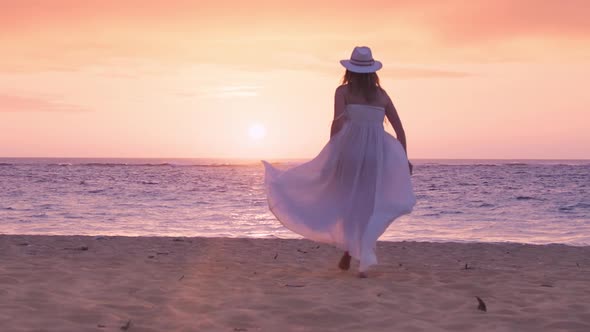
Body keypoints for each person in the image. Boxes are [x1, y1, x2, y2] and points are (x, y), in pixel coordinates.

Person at [262, 46, 416, 278]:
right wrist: (403, 159)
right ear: (372, 71)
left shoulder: (342, 92)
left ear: (350, 70)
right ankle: (360, 257)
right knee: (367, 206)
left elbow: (337, 124)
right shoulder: (381, 95)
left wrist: (331, 152)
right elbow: (400, 129)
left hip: (350, 152)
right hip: (376, 155)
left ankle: (349, 250)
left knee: (345, 200)